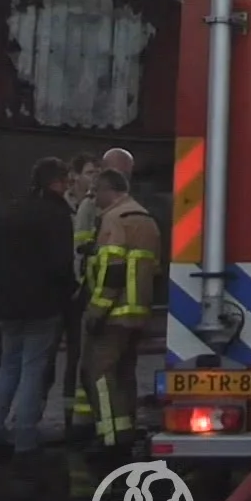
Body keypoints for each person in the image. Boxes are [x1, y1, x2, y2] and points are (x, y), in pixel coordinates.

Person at [0, 158, 77, 466]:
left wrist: (6, 290)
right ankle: (24, 439)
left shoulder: (9, 210)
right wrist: (66, 295)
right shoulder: (57, 214)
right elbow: (61, 265)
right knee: (33, 369)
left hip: (9, 306)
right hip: (43, 306)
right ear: (56, 183)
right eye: (66, 182)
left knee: (8, 367)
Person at [78, 167, 161, 459]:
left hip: (113, 313)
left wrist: (96, 310)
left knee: (98, 373)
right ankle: (125, 428)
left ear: (108, 190)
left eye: (94, 192)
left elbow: (113, 270)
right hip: (137, 313)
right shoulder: (145, 218)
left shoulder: (115, 218)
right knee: (124, 372)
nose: (91, 198)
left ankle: (111, 439)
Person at [43, 153, 99, 436]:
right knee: (47, 356)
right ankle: (39, 415)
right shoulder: (59, 207)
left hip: (81, 293)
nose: (93, 178)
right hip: (58, 291)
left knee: (78, 356)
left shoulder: (93, 206)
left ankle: (70, 418)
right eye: (89, 172)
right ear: (75, 176)